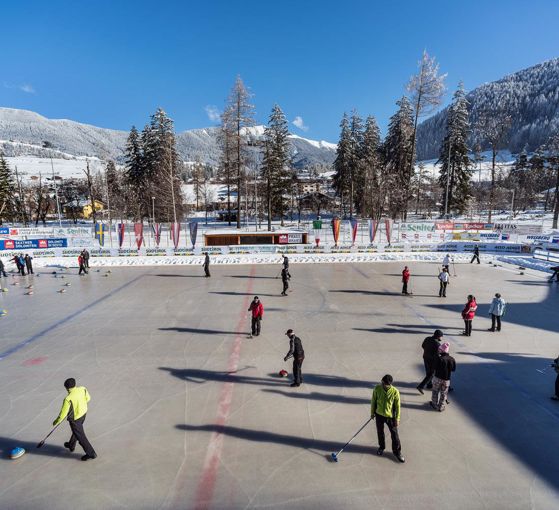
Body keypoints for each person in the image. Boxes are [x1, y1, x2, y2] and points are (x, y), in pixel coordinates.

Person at [52, 378, 97, 461]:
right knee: (77, 432)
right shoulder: (83, 389)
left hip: (75, 419)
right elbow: (88, 398)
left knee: (81, 436)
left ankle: (91, 453)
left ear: (66, 388)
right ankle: (71, 445)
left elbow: (62, 415)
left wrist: (56, 421)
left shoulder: (68, 399)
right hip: (83, 414)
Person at [371, 374, 405, 463]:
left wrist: (397, 418)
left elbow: (398, 407)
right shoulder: (377, 389)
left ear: (389, 384)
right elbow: (373, 401)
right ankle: (381, 447)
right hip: (379, 415)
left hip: (391, 417)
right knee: (380, 432)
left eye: (385, 384)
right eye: (382, 382)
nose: (383, 385)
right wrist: (372, 413)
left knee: (395, 435)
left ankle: (397, 452)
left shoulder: (395, 392)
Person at [430, 342, 456, 412]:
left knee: (435, 391)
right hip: (446, 379)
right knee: (444, 393)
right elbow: (453, 369)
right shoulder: (452, 359)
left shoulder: (439, 358)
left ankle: (434, 404)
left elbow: (434, 367)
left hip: (437, 378)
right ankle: (441, 406)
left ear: (441, 350)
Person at [416, 330, 443, 394]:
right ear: (438, 336)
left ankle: (429, 384)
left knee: (428, 371)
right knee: (431, 374)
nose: (442, 338)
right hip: (432, 360)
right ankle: (421, 386)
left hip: (425, 357)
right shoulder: (437, 344)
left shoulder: (427, 338)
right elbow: (438, 353)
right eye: (441, 336)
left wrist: (427, 350)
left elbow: (423, 346)